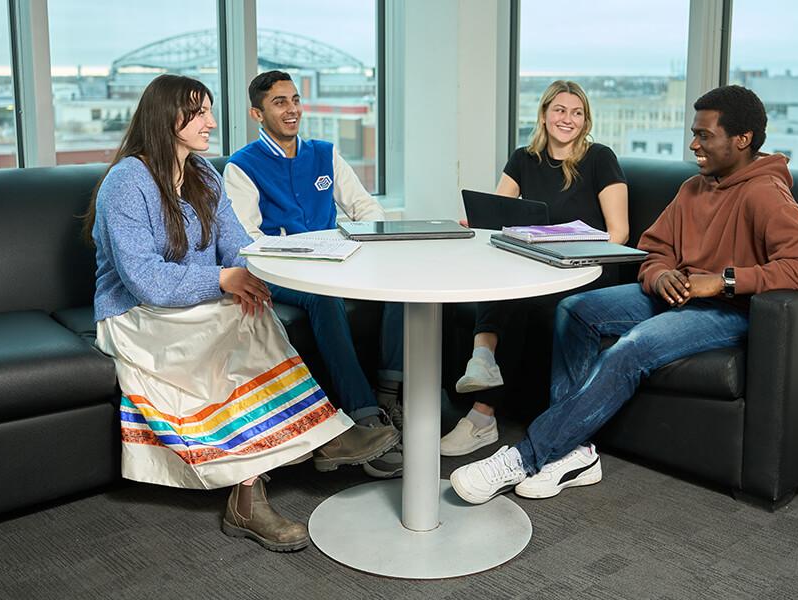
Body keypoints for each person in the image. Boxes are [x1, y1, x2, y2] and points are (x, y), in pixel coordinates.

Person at [450, 85, 798, 504]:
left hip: (728, 309)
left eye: (704, 135)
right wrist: (661, 273)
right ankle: (574, 452)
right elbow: (651, 250)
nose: (694, 144)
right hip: (678, 292)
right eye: (694, 133)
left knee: (633, 347)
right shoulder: (693, 188)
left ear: (741, 139)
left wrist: (724, 281)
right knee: (575, 310)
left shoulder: (766, 193)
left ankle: (526, 456)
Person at [86, 74, 399, 551]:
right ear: (168, 117)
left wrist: (246, 275)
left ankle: (262, 487)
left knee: (251, 313)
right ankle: (319, 440)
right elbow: (144, 279)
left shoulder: (204, 174)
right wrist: (222, 280)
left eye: (210, 110)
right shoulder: (126, 182)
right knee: (237, 320)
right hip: (135, 314)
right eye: (201, 112)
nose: (212, 122)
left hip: (193, 304)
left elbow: (238, 246)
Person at [224, 70, 405, 479]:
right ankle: (364, 416)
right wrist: (297, 249)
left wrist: (370, 239)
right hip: (280, 272)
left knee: (401, 277)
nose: (292, 110)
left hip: (335, 259)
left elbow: (366, 208)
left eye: (295, 100)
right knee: (324, 299)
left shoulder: (325, 154)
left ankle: (391, 391)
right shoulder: (241, 167)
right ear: (257, 113)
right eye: (279, 103)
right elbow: (247, 241)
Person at [441, 80, 629, 457]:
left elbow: (619, 232)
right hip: (541, 263)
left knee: (522, 298)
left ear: (586, 121)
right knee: (499, 281)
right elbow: (497, 213)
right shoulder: (523, 158)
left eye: (577, 113)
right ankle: (482, 359)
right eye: (560, 110)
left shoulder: (600, 158)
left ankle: (481, 415)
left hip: (588, 268)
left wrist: (575, 248)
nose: (567, 119)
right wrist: (476, 223)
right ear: (543, 115)